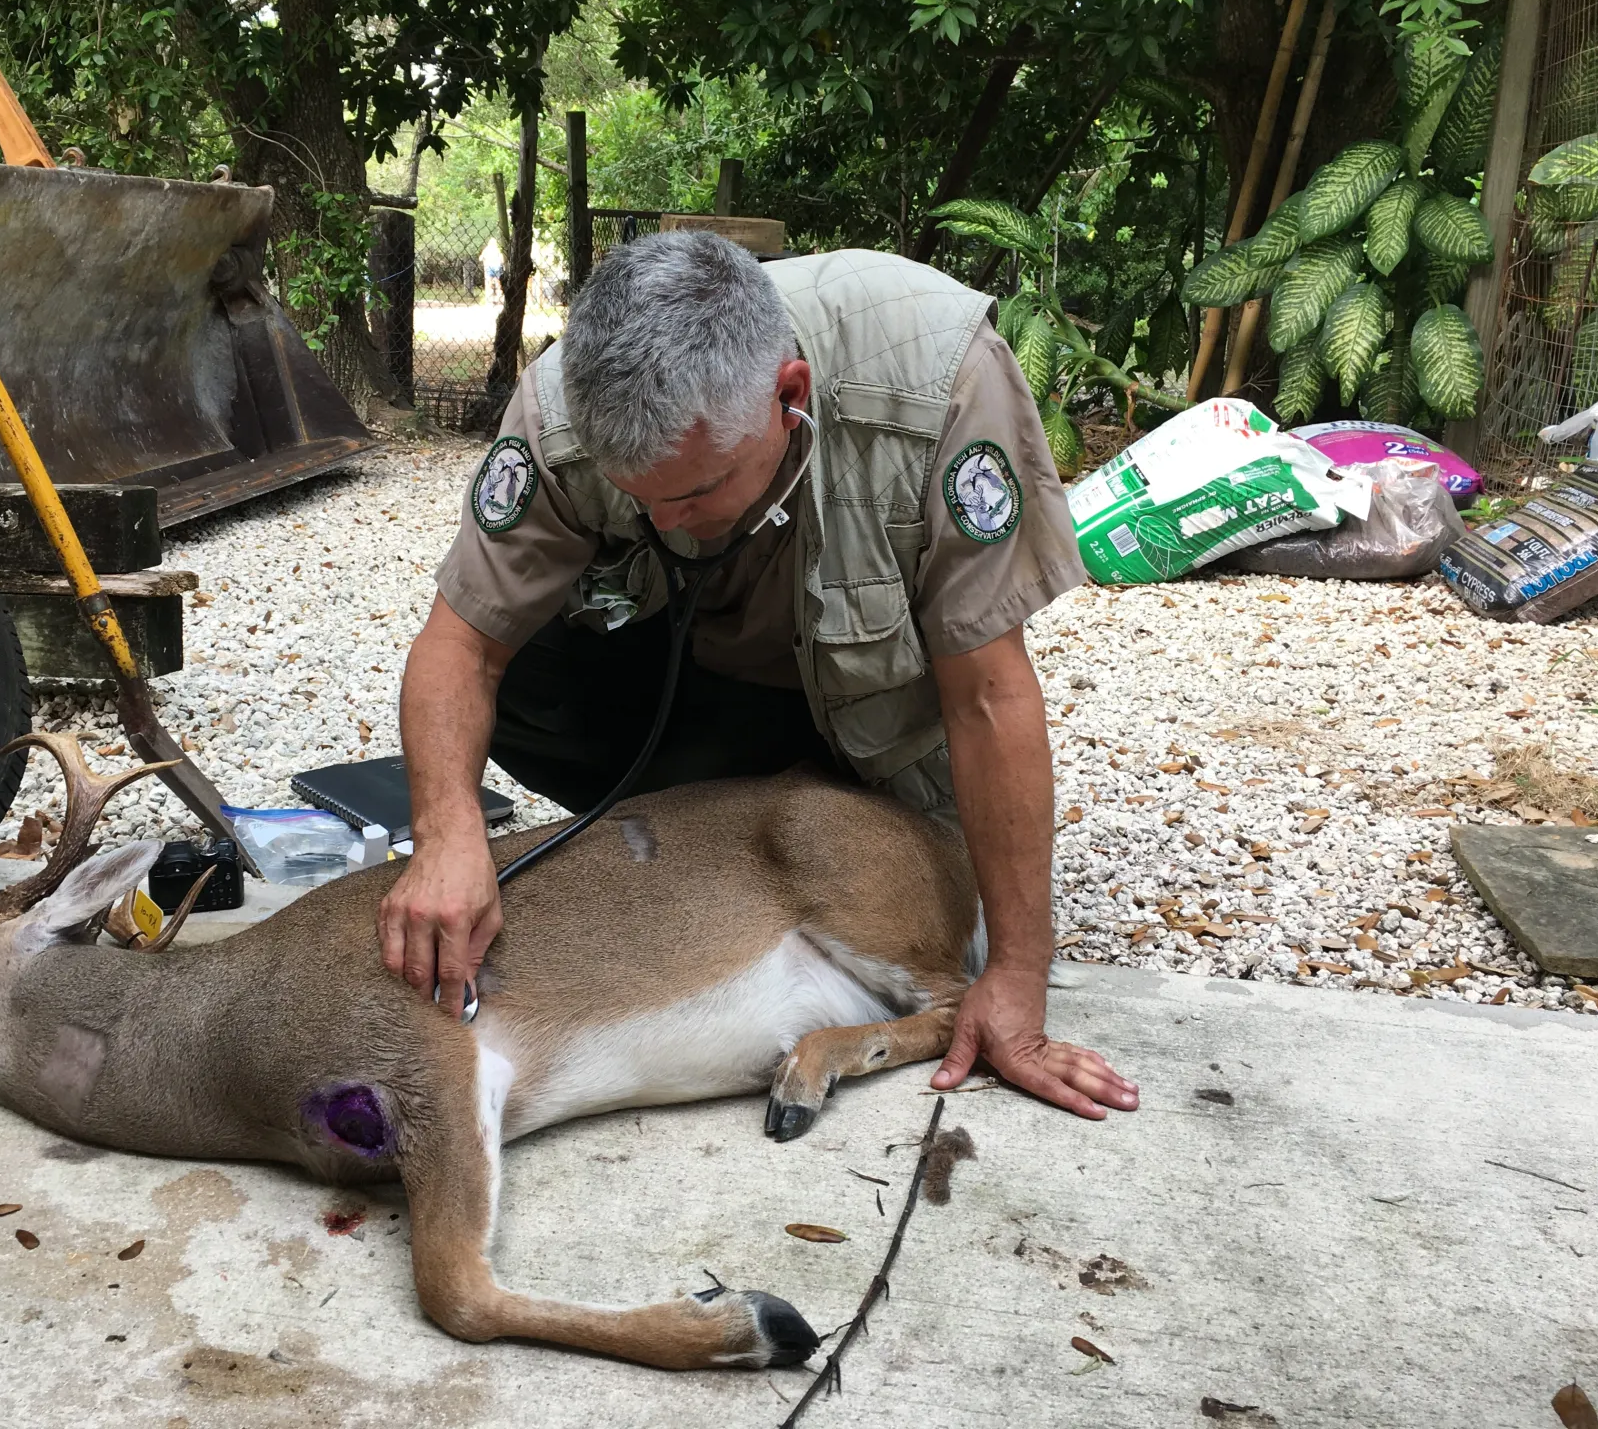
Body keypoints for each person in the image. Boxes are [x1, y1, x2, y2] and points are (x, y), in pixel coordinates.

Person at [381, 231, 1138, 1122]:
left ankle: (853, 841)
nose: (665, 522)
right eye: (640, 498)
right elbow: (459, 645)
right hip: (722, 676)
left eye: (694, 492)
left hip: (886, 715)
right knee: (532, 670)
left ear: (789, 399)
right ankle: (729, 852)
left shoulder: (943, 382)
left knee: (914, 866)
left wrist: (1014, 972)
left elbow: (988, 693)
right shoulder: (558, 409)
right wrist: (444, 837)